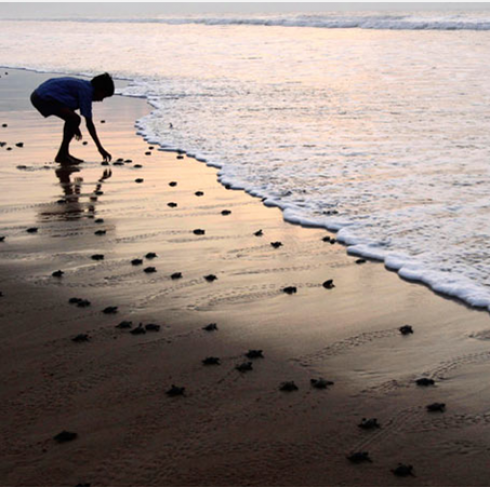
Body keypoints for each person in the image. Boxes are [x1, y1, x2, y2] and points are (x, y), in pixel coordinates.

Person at [30, 73, 114, 164]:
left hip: (38, 94)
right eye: (103, 96)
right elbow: (89, 123)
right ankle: (62, 154)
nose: (101, 100)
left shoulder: (84, 85)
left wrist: (75, 127)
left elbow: (67, 104)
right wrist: (100, 148)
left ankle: (64, 153)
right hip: (43, 98)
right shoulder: (86, 92)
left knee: (73, 119)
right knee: (75, 119)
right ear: (99, 90)